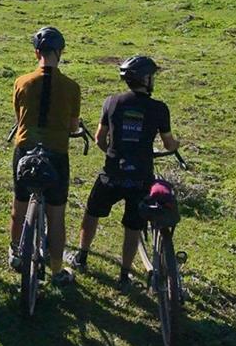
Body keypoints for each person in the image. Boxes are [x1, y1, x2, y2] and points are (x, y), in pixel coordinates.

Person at [68, 55, 179, 287]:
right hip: (141, 177)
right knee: (133, 225)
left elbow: (99, 138)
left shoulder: (112, 102)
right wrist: (176, 145)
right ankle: (124, 275)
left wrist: (112, 152)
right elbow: (169, 144)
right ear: (145, 79)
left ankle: (82, 256)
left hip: (113, 173)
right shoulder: (159, 109)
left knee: (92, 212)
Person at [9, 26, 81, 285]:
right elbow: (73, 127)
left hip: (26, 149)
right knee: (56, 214)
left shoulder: (22, 82)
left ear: (37, 52)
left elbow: (20, 119)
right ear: (59, 52)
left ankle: (16, 252)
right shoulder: (72, 87)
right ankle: (56, 269)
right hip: (56, 154)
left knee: (19, 204)